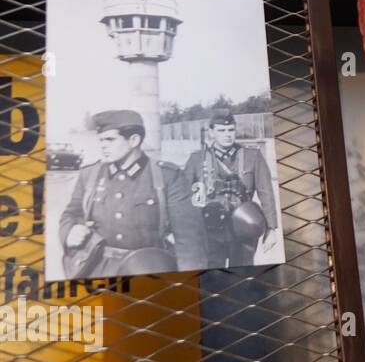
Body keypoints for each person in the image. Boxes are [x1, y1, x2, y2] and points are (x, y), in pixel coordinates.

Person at [59, 109, 207, 279]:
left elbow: (189, 241)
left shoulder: (167, 176)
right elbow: (70, 214)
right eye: (100, 140)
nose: (102, 145)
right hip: (97, 268)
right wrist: (69, 232)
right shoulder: (90, 174)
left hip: (149, 269)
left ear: (134, 140)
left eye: (110, 139)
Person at [183, 109, 279, 269]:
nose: (227, 134)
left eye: (231, 130)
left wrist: (271, 228)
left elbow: (266, 194)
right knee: (212, 278)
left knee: (243, 277)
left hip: (244, 230)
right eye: (221, 130)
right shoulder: (196, 159)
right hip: (210, 231)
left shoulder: (253, 156)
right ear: (211, 132)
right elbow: (182, 196)